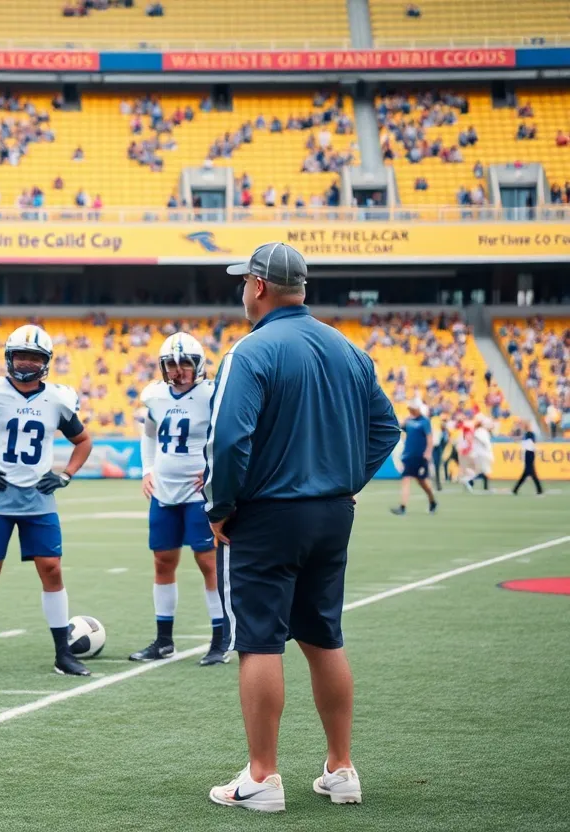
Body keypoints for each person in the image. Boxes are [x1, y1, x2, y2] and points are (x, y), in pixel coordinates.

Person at [205, 242, 399, 812]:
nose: (242, 290)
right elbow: (385, 429)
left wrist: (220, 507)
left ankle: (262, 777)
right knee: (323, 635)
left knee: (258, 641)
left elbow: (228, 440)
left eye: (244, 281)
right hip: (333, 513)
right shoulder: (350, 350)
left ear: (259, 286)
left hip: (269, 514)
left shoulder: (250, 351)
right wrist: (346, 480)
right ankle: (341, 768)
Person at [0, 324, 94, 677]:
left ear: (46, 362)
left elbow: (83, 441)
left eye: (34, 357)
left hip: (38, 498)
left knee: (52, 569)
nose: (27, 362)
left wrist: (66, 474)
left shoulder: (57, 398)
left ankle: (62, 654)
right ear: (9, 358)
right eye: (21, 356)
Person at [134, 332, 227, 667]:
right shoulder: (156, 395)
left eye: (185, 363)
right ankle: (164, 640)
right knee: (163, 561)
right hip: (164, 491)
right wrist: (148, 469)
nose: (178, 370)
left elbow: (231, 435)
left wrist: (216, 470)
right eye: (172, 364)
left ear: (198, 364)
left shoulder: (213, 393)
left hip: (200, 493)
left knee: (208, 563)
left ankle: (221, 638)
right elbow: (149, 435)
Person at [390, 398, 437, 515]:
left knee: (422, 482)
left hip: (420, 455)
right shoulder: (409, 421)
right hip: (409, 455)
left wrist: (428, 452)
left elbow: (429, 438)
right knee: (406, 479)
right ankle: (402, 507)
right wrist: (405, 420)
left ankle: (432, 500)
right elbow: (400, 427)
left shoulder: (425, 421)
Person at [512, 421, 543, 495]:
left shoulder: (529, 434)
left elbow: (528, 442)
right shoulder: (528, 434)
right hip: (529, 453)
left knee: (529, 473)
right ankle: (515, 489)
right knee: (529, 473)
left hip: (529, 453)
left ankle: (515, 489)